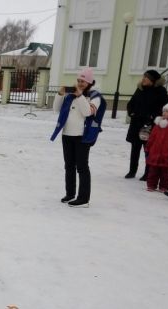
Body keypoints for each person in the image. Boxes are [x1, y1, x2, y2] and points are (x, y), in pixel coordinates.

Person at [51, 67, 103, 208]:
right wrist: (60, 94)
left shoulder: (95, 96)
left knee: (82, 167)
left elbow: (87, 112)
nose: (80, 83)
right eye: (79, 80)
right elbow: (56, 109)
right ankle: (70, 194)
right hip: (67, 134)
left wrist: (80, 96)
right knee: (69, 166)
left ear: (90, 82)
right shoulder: (71, 95)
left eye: (83, 81)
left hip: (82, 136)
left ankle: (83, 198)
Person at [124, 69, 168, 180]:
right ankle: (132, 171)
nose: (143, 79)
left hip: (149, 124)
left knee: (148, 149)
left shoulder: (160, 91)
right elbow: (131, 103)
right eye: (143, 76)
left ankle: (148, 173)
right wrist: (131, 111)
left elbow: (163, 107)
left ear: (152, 80)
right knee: (135, 148)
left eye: (146, 77)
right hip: (136, 122)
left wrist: (152, 116)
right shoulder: (140, 89)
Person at [144, 100, 168, 192]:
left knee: (165, 172)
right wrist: (148, 148)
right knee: (153, 170)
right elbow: (152, 138)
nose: (164, 113)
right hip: (155, 152)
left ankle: (164, 186)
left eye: (167, 112)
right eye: (164, 111)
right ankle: (151, 185)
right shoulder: (158, 124)